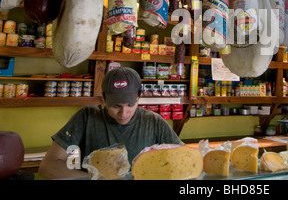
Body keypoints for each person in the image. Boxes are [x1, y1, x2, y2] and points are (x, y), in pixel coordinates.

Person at [39, 67, 183, 179]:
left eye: (130, 105)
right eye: (116, 106)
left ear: (138, 97)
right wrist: (96, 180)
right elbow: (48, 166)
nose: (123, 113)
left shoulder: (154, 122)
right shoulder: (87, 117)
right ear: (104, 98)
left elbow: (183, 159)